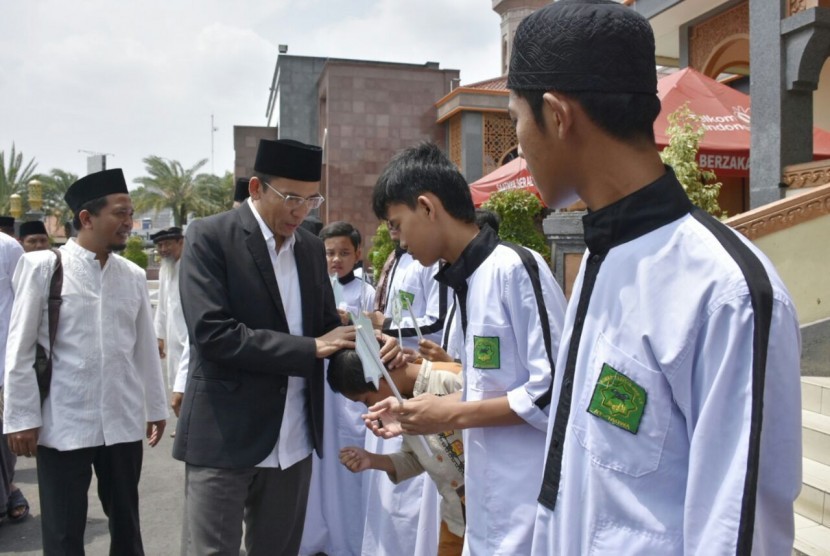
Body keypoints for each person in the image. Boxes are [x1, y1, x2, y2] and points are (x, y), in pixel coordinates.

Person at [505, 1, 802, 554]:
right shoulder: (601, 256)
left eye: (516, 118)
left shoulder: (724, 293)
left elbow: (736, 531)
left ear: (558, 114)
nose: (517, 142)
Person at [173, 138, 398, 556]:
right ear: (256, 188)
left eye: (311, 200)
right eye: (291, 198)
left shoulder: (311, 249)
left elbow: (331, 330)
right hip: (226, 436)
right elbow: (213, 334)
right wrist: (310, 347)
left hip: (293, 439)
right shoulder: (210, 237)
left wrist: (375, 354)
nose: (300, 211)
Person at [367, 142, 567, 554]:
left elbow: (553, 393)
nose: (399, 241)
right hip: (481, 496)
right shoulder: (465, 284)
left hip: (526, 498)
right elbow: (481, 389)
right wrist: (413, 414)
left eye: (397, 224)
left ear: (427, 207)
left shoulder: (515, 268)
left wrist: (449, 412)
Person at [3, 168, 168, 555]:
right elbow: (21, 347)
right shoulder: (44, 267)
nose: (129, 223)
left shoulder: (130, 274)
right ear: (87, 218)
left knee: (127, 527)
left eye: (130, 214)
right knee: (63, 532)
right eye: (121, 213)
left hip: (122, 422)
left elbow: (144, 346)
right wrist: (22, 417)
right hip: (64, 423)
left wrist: (156, 407)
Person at [329, 349, 466, 556]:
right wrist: (371, 460)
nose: (371, 408)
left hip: (493, 511)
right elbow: (417, 457)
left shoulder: (452, 379)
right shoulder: (402, 403)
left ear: (378, 378)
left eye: (366, 401)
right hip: (455, 520)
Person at [299, 221, 377, 555]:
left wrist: (354, 322)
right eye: (329, 252)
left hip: (350, 392)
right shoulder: (313, 287)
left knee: (348, 466)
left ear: (358, 255)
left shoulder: (366, 292)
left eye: (344, 252)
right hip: (323, 391)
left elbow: (371, 343)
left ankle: (350, 538)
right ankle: (318, 533)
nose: (336, 259)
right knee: (321, 465)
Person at [0, 232, 27, 527]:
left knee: (3, 443)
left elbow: (25, 302)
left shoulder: (7, 247)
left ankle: (8, 488)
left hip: (3, 363)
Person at [151, 226, 187, 390]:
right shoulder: (165, 269)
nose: (163, 249)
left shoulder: (193, 267)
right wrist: (159, 337)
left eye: (167, 244)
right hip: (173, 342)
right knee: (176, 388)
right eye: (160, 246)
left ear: (181, 242)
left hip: (189, 341)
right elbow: (162, 304)